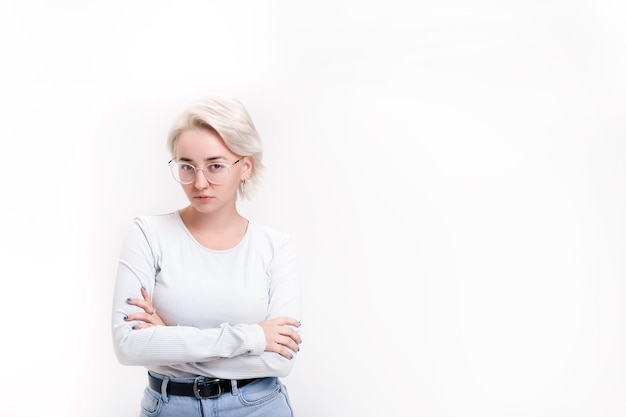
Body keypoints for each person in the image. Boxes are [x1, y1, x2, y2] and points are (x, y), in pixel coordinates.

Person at [111, 96, 302, 417]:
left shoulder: (275, 247)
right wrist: (254, 335)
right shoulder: (148, 233)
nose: (199, 182)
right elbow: (129, 347)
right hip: (170, 407)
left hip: (258, 407)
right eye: (187, 166)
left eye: (215, 166)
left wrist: (167, 338)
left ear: (245, 166)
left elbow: (279, 359)